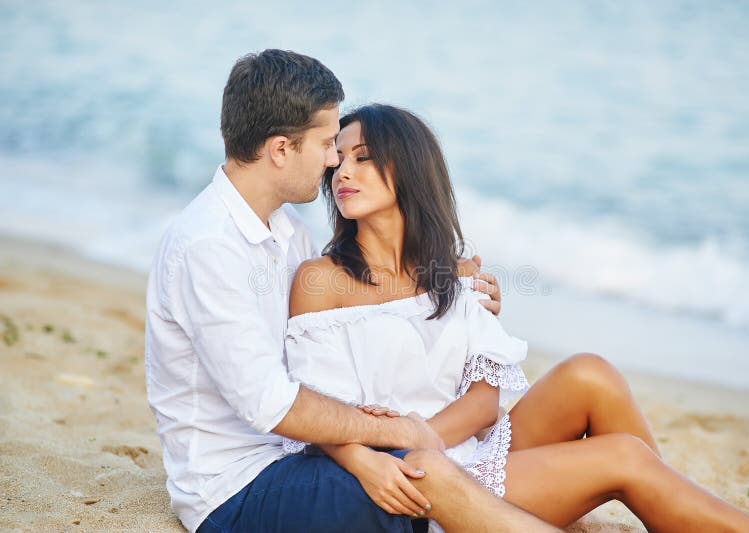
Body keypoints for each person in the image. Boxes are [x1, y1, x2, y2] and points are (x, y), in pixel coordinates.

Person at [283, 103, 749, 532]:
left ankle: (666, 511)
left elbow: (482, 404)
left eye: (362, 156)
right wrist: (412, 444)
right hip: (408, 474)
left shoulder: (455, 271)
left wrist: (428, 432)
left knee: (591, 373)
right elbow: (315, 411)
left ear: (410, 167)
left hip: (460, 448)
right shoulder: (321, 281)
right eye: (339, 158)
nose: (342, 171)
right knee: (623, 457)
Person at [145, 49, 560, 532]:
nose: (332, 163)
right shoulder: (208, 246)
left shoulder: (285, 232)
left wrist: (461, 295)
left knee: (425, 472)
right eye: (327, 145)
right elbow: (271, 402)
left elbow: (345, 321)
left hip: (295, 457)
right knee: (423, 478)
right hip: (234, 490)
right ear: (281, 149)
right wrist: (393, 433)